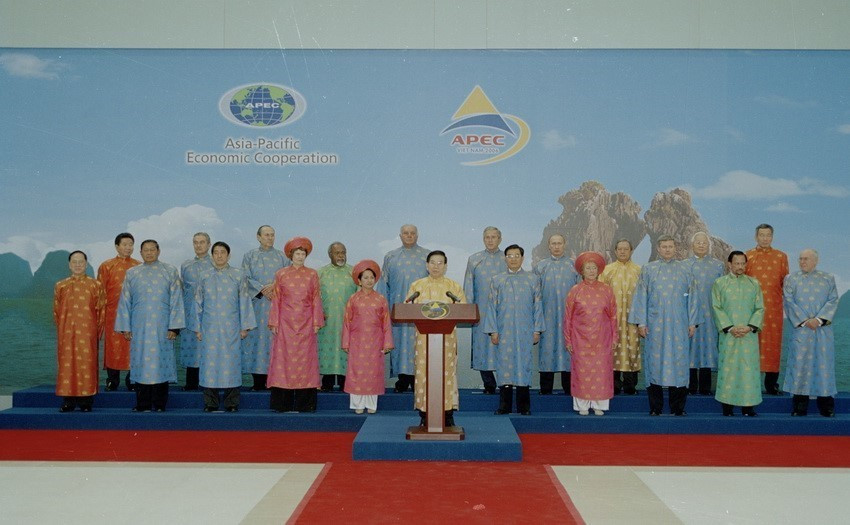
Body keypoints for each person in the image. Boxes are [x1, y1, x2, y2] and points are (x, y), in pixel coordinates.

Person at [629, 235, 697, 416]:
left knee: (679, 364)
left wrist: (692, 322)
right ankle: (655, 407)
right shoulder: (648, 269)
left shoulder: (685, 269)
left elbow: (692, 297)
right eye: (664, 246)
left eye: (670, 246)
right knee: (655, 364)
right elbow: (641, 296)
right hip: (655, 325)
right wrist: (641, 322)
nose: (667, 249)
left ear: (675, 248)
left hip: (679, 325)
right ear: (658, 249)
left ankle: (678, 408)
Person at [115, 240, 184, 412]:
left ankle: (160, 404)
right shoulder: (132, 273)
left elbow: (176, 300)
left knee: (161, 363)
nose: (149, 252)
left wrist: (174, 327)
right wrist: (126, 327)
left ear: (158, 251)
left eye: (152, 249)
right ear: (140, 252)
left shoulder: (169, 271)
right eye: (145, 250)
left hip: (163, 327)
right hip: (139, 327)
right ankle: (142, 404)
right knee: (141, 363)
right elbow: (125, 301)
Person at [193, 242, 256, 413]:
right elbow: (198, 302)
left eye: (223, 252)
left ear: (229, 255)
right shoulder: (204, 276)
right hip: (209, 327)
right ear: (212, 255)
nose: (219, 255)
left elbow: (244, 300)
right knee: (209, 364)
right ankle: (210, 402)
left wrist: (245, 327)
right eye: (216, 252)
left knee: (231, 364)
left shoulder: (238, 275)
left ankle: (231, 402)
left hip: (232, 327)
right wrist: (197, 328)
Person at [406, 250, 467, 427]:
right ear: (427, 265)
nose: (436, 266)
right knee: (423, 373)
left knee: (447, 373)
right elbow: (407, 307)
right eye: (432, 262)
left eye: (440, 263)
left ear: (446, 266)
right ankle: (424, 414)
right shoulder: (417, 286)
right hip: (423, 340)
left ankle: (447, 414)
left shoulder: (453, 287)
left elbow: (463, 309)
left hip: (446, 341)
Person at [484, 244, 544, 416]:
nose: (513, 259)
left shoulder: (533, 279)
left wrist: (537, 330)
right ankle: (504, 406)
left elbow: (538, 305)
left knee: (524, 365)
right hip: (504, 330)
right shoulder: (497, 280)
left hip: (526, 329)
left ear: (522, 258)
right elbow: (492, 306)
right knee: (505, 365)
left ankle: (524, 407)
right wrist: (493, 330)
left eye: (517, 255)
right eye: (510, 256)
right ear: (505, 258)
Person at [267, 237, 324, 413]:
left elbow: (316, 298)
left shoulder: (312, 274)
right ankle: (282, 404)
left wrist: (317, 321)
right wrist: (274, 321)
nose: (300, 257)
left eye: (302, 254)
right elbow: (276, 299)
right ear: (291, 255)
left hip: (307, 323)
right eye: (297, 254)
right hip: (285, 323)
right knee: (283, 361)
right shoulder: (281, 274)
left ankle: (305, 404)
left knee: (306, 361)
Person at [783, 249, 839, 417]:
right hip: (801, 330)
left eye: (806, 259)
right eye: (800, 259)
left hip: (822, 330)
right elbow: (788, 301)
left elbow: (833, 300)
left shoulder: (827, 278)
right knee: (800, 366)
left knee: (824, 366)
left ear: (816, 260)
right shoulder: (791, 279)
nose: (802, 262)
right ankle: (799, 406)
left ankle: (826, 406)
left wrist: (819, 320)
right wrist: (805, 320)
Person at [711, 251, 764, 417]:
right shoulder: (720, 283)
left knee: (748, 371)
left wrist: (749, 327)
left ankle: (748, 408)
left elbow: (759, 308)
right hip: (729, 334)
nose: (740, 267)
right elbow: (716, 307)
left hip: (749, 335)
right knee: (729, 370)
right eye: (737, 263)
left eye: (743, 263)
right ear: (729, 264)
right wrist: (729, 327)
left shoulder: (753, 284)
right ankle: (727, 408)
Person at [564, 252, 617, 416]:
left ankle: (599, 404)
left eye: (594, 268)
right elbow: (568, 317)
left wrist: (614, 337)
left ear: (598, 270)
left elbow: (613, 316)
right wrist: (568, 340)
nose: (591, 271)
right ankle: (582, 405)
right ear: (582, 271)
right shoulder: (575, 291)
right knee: (582, 371)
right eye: (588, 268)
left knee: (601, 371)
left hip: (602, 338)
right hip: (580, 339)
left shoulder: (607, 290)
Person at [53, 251, 106, 412]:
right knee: (67, 365)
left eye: (81, 262)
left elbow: (101, 311)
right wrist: (63, 329)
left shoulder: (95, 285)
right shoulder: (60, 285)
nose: (78, 265)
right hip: (66, 332)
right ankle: (68, 401)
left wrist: (95, 333)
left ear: (86, 264)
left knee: (86, 364)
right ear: (69, 265)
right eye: (74, 262)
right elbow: (56, 311)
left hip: (88, 333)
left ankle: (86, 401)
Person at [379, 224, 429, 393]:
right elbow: (384, 285)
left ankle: (418, 380)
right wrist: (383, 310)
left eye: (412, 233)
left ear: (417, 235)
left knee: (419, 343)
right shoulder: (390, 257)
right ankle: (402, 379)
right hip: (397, 310)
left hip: (421, 311)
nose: (409, 236)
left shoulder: (427, 256)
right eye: (405, 233)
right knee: (400, 343)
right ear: (400, 236)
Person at [241, 225, 290, 391]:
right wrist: (262, 289)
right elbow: (245, 278)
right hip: (257, 305)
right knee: (256, 342)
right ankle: (257, 382)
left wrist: (275, 286)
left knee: (274, 342)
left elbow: (288, 277)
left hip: (277, 306)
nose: (270, 238)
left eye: (272, 235)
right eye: (266, 235)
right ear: (258, 237)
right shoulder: (250, 256)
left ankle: (274, 381)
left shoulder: (283, 257)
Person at [342, 260, 394, 414]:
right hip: (357, 341)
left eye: (371, 277)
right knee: (357, 371)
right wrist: (346, 342)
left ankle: (371, 404)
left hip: (375, 341)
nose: (369, 280)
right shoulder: (353, 299)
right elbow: (347, 322)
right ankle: (358, 404)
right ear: (359, 280)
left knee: (373, 372)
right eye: (365, 277)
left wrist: (387, 343)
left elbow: (386, 322)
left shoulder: (381, 299)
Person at [745, 223, 789, 395]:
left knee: (773, 346)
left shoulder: (781, 257)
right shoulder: (747, 255)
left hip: (773, 309)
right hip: (751, 310)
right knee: (751, 345)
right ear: (756, 237)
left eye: (768, 235)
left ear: (772, 237)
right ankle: (750, 384)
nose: (765, 238)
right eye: (761, 235)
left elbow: (786, 284)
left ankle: (771, 385)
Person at [533, 234, 580, 395]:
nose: (556, 246)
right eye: (553, 243)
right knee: (547, 351)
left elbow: (580, 293)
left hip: (569, 318)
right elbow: (535, 295)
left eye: (559, 243)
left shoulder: (573, 266)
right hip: (547, 317)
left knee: (569, 351)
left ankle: (569, 389)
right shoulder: (541, 266)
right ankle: (546, 390)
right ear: (549, 246)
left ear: (564, 244)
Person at [462, 226, 506, 394]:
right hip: (481, 311)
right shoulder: (475, 259)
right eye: (487, 237)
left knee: (504, 347)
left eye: (494, 237)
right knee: (482, 347)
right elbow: (468, 286)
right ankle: (489, 384)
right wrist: (469, 311)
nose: (490, 240)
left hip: (504, 312)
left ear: (500, 239)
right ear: (483, 239)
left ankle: (505, 384)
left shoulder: (507, 258)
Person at [96, 232, 140, 391]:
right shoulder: (106, 266)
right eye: (125, 244)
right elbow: (100, 292)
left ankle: (132, 380)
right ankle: (112, 380)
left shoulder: (139, 266)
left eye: (131, 244)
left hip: (134, 313)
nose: (128, 247)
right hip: (112, 314)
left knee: (133, 346)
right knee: (113, 347)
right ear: (117, 246)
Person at [684, 232, 725, 395]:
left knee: (708, 348)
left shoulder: (718, 265)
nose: (701, 245)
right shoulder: (684, 265)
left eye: (704, 243)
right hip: (689, 315)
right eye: (698, 242)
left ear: (709, 245)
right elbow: (682, 291)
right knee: (690, 348)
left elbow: (722, 292)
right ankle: (691, 386)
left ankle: (706, 388)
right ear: (692, 245)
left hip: (711, 315)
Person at [599, 238, 642, 395]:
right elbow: (600, 296)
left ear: (631, 251)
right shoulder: (606, 270)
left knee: (632, 349)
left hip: (633, 319)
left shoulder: (639, 271)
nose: (623, 252)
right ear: (615, 251)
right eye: (620, 249)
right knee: (613, 350)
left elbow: (644, 295)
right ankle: (614, 385)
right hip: (612, 320)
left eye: (626, 249)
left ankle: (631, 386)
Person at [317, 242, 357, 392]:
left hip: (348, 322)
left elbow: (360, 297)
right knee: (326, 351)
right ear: (330, 255)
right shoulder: (320, 273)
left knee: (345, 350)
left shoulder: (354, 273)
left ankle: (345, 382)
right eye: (337, 253)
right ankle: (326, 382)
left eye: (343, 252)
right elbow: (313, 297)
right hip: (326, 322)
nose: (341, 256)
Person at [179, 232, 214, 391]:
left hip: (209, 311)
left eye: (202, 242)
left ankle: (210, 383)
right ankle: (191, 383)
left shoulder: (215, 263)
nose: (198, 245)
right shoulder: (186, 265)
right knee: (191, 346)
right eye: (195, 242)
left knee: (209, 347)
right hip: (189, 311)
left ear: (209, 244)